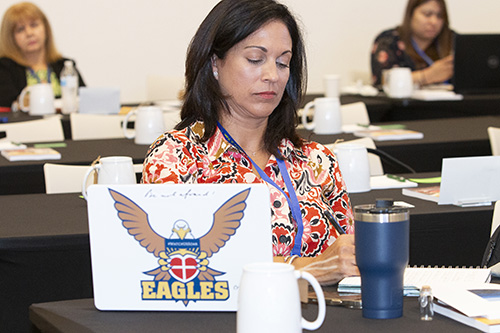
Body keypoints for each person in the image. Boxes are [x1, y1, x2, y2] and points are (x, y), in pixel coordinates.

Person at [143, 0, 358, 285]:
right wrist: (308, 269)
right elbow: (182, 265)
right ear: (214, 63)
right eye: (256, 59)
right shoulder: (176, 158)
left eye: (283, 62)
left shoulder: (317, 160)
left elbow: (350, 257)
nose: (272, 75)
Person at [0, 2, 85, 109]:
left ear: (46, 28)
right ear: (10, 38)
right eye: (20, 29)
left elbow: (84, 101)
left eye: (34, 25)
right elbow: (5, 107)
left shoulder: (65, 65)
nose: (29, 33)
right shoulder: (4, 69)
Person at [371, 0, 454, 87]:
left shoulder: (452, 40)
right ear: (411, 14)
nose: (434, 22)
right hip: (404, 100)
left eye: (440, 16)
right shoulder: (389, 40)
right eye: (427, 14)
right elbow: (383, 81)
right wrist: (427, 76)